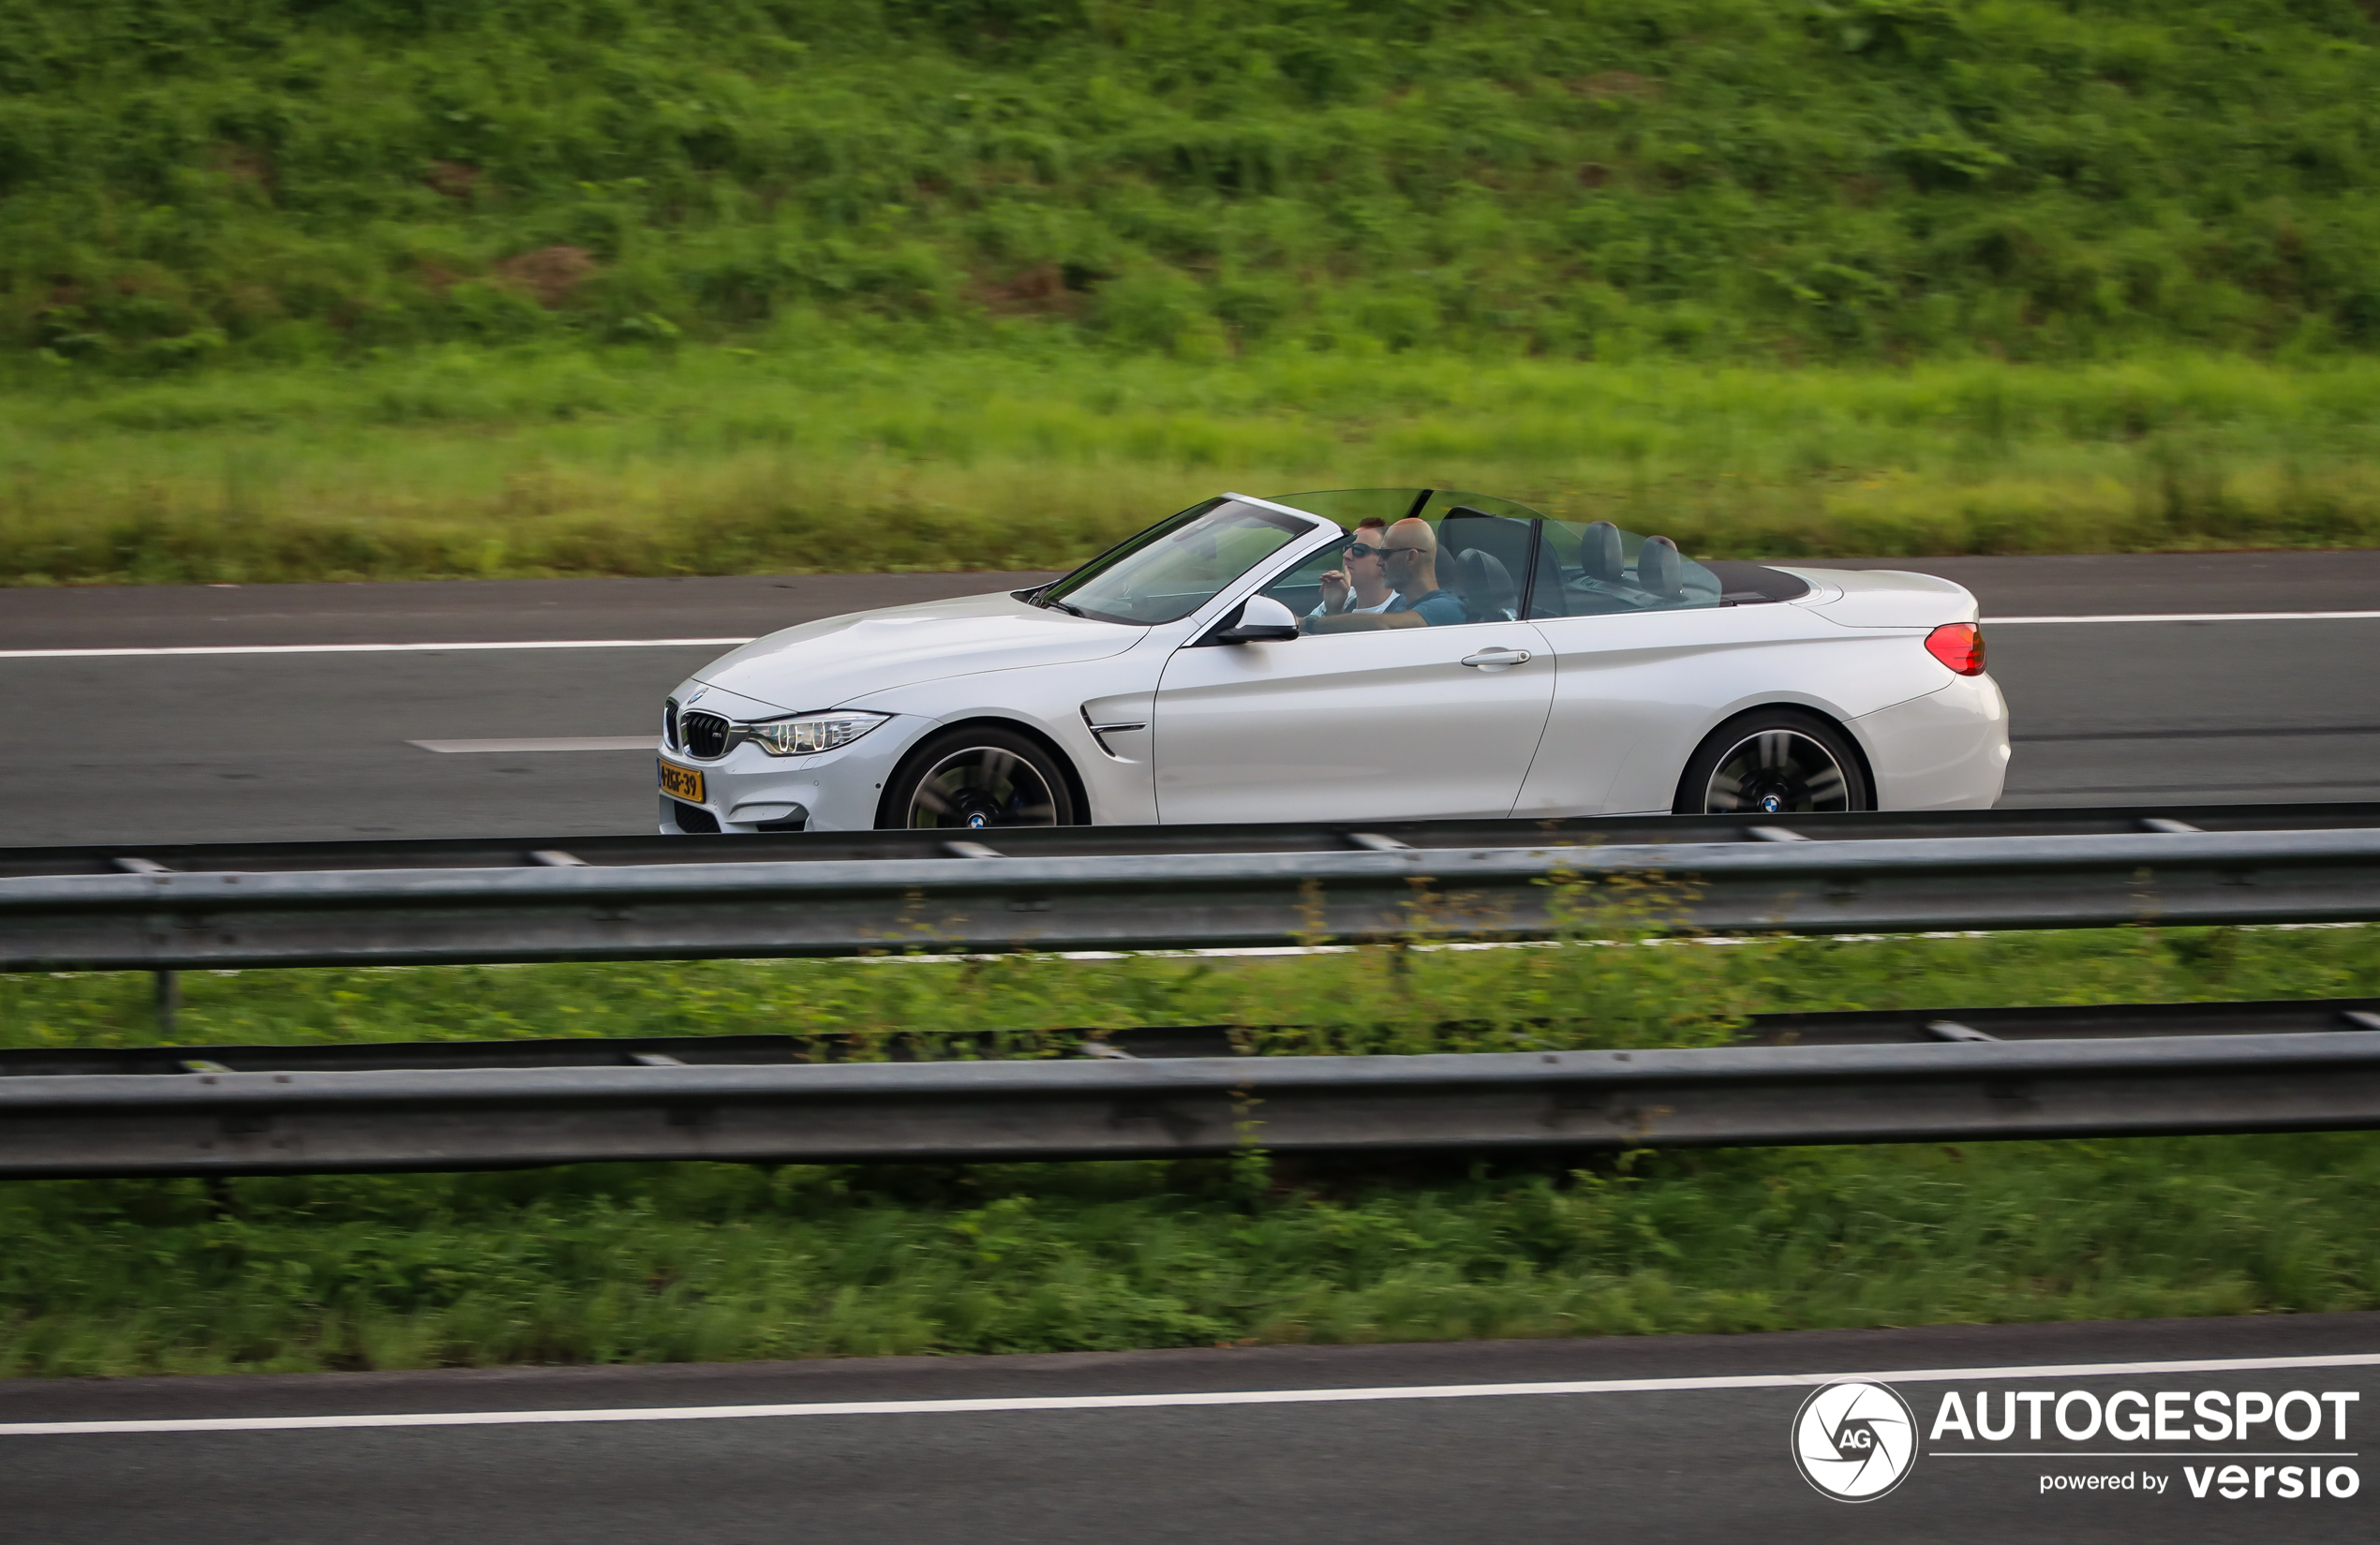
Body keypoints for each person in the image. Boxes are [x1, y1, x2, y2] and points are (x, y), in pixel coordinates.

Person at [1308, 516, 1465, 631]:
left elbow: (1381, 624)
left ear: (1410, 557)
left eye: (1386, 553)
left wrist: (1305, 623)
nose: (1380, 562)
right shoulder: (1399, 604)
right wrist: (1334, 610)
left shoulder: (1446, 607)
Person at [1309, 517, 1399, 619]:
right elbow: (1300, 631)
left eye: (1359, 550)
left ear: (1385, 562)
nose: (1346, 554)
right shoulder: (1347, 595)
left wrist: (1334, 613)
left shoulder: (1398, 613)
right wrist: (1333, 609)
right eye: (1347, 547)